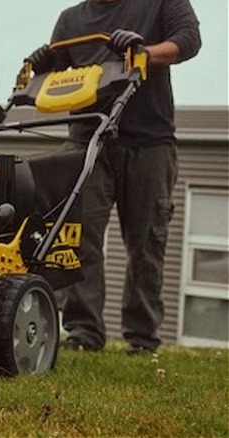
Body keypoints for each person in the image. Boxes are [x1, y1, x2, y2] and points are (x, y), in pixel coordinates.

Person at [25, 0, 201, 354]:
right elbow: (55, 81)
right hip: (87, 139)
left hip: (149, 141)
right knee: (80, 239)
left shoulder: (161, 3)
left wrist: (143, 51)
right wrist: (44, 67)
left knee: (146, 243)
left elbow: (188, 40)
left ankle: (142, 338)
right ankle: (84, 334)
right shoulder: (70, 19)